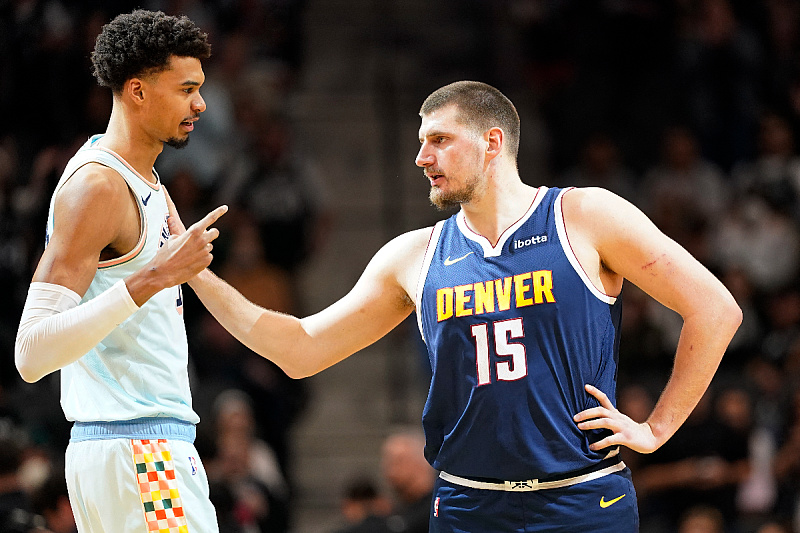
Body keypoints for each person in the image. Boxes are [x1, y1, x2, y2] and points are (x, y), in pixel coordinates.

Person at [173, 81, 742, 531]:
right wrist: (196, 275)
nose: (421, 157)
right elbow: (300, 349)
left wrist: (656, 429)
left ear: (491, 142)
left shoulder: (585, 217)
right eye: (421, 142)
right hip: (469, 508)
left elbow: (715, 309)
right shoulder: (413, 255)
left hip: (582, 501)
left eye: (439, 140)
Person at [13, 10, 226, 533]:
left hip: (133, 446)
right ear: (137, 90)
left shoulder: (141, 175)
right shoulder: (100, 187)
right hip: (139, 449)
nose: (200, 104)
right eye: (186, 89)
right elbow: (31, 352)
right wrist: (151, 278)